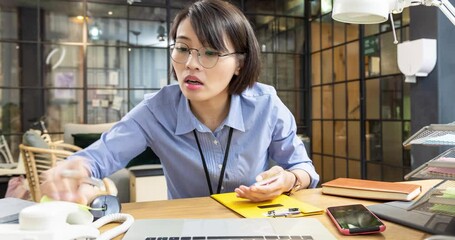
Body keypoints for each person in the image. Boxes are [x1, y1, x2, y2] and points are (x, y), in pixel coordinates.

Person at [40, 0, 319, 204]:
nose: (190, 64)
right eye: (183, 48)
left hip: (256, 223)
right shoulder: (156, 110)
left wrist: (288, 180)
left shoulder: (265, 104)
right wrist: (74, 169)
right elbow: (100, 156)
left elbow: (304, 168)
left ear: (239, 63)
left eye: (210, 52)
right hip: (185, 226)